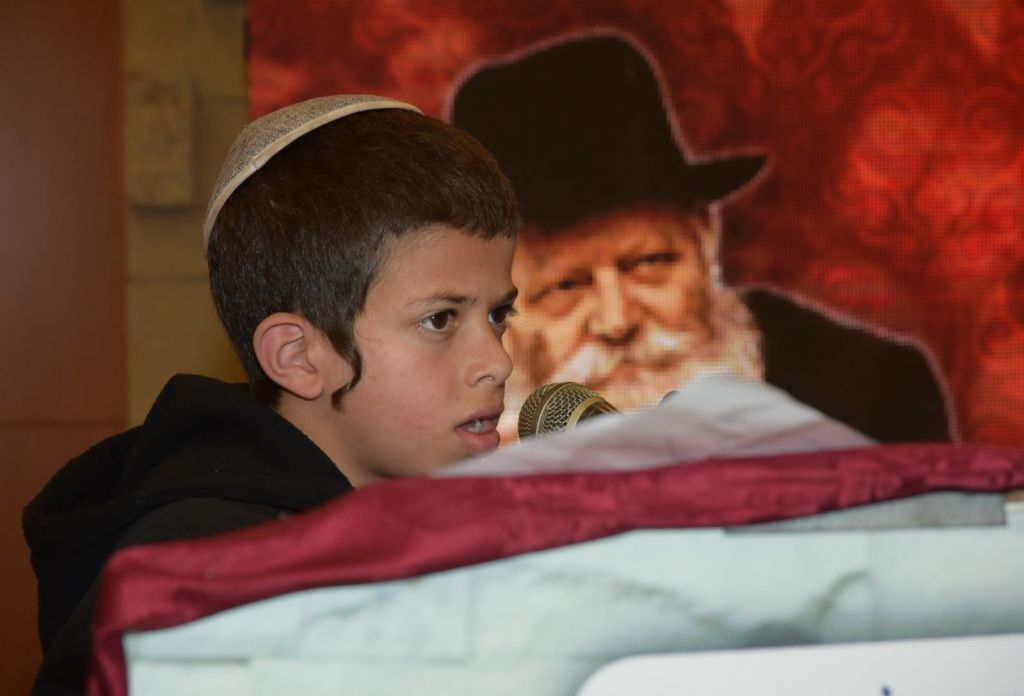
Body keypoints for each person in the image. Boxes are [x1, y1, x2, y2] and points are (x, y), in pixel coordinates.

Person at [22, 95, 521, 695]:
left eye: (499, 315)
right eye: (439, 320)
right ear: (298, 357)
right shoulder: (204, 589)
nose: (497, 361)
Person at [452, 35, 951, 442]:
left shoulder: (870, 391)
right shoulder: (445, 435)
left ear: (706, 239)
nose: (617, 321)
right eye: (565, 286)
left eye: (648, 264)